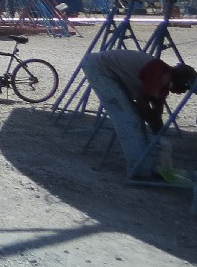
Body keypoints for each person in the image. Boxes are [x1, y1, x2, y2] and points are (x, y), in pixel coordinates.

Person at [80, 48, 196, 178]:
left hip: (108, 69)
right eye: (185, 87)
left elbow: (156, 112)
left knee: (135, 119)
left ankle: (143, 167)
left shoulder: (164, 81)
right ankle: (139, 171)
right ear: (180, 80)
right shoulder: (160, 73)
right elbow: (142, 101)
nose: (183, 92)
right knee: (129, 121)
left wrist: (160, 135)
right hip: (99, 68)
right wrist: (153, 125)